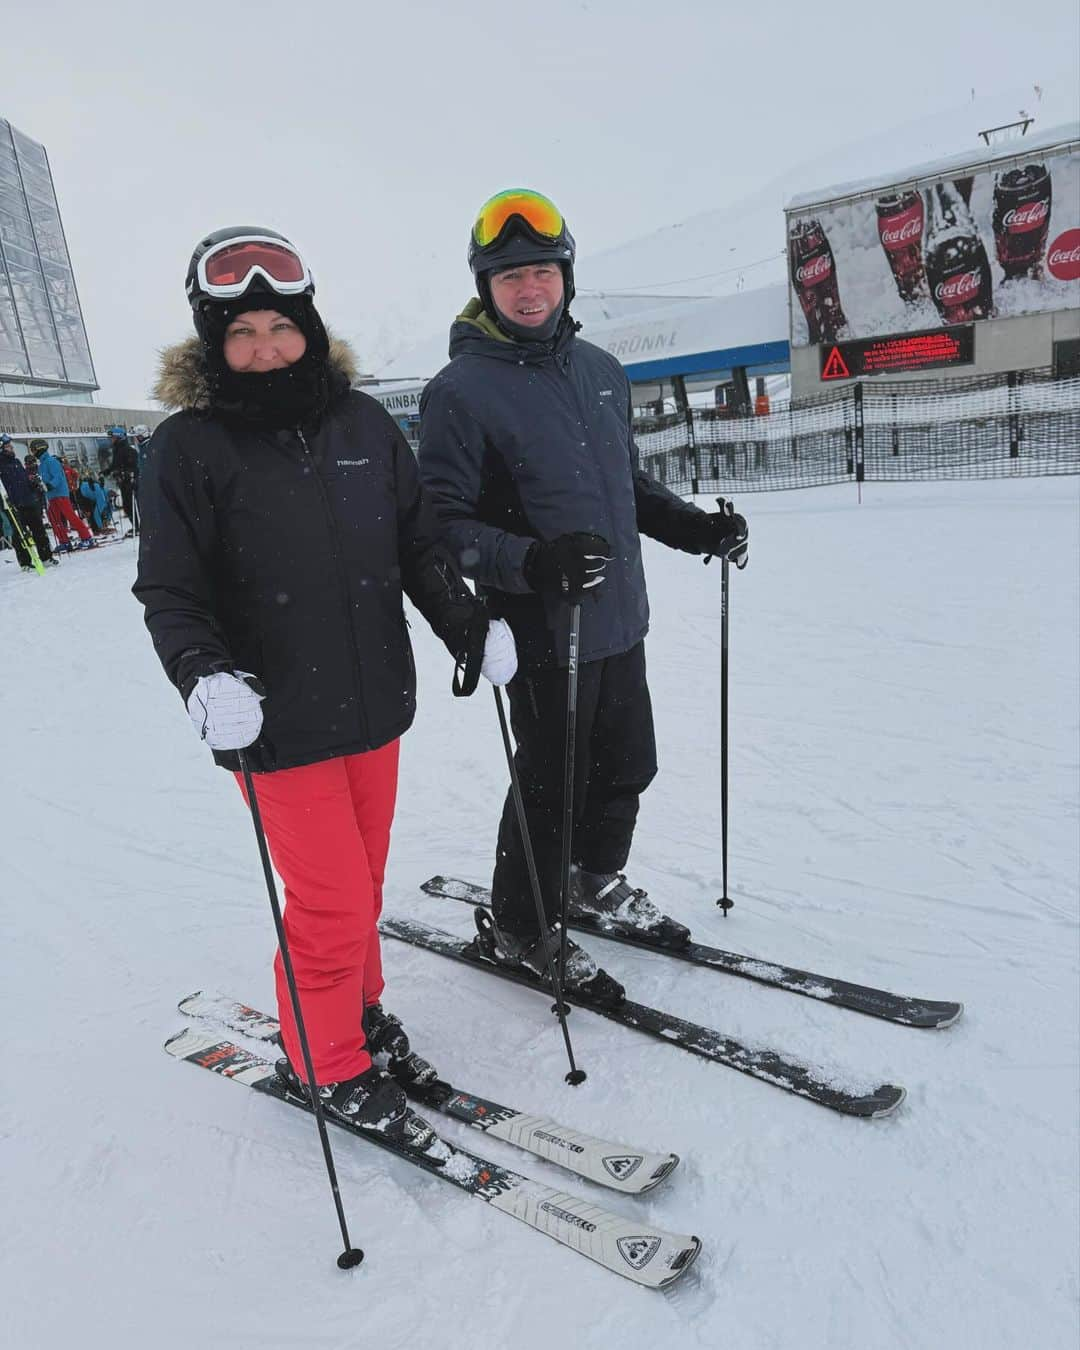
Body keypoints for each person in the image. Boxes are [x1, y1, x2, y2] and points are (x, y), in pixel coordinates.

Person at [134, 225, 517, 1141]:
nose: (264, 346)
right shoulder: (186, 446)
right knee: (330, 900)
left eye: (278, 324)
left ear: (307, 325)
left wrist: (469, 626)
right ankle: (327, 1060)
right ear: (212, 344)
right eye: (241, 332)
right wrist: (202, 675)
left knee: (365, 882)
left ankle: (359, 1013)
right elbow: (170, 591)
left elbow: (416, 547)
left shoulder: (363, 424)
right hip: (273, 720)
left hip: (374, 704)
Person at [419, 189, 748, 1004]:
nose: (529, 290)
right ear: (484, 287)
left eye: (541, 272)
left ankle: (594, 882)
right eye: (509, 278)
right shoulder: (459, 390)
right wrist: (533, 564)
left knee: (629, 765)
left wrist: (695, 529)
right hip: (540, 628)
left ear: (564, 276)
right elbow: (442, 526)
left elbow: (622, 487)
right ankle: (523, 923)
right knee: (551, 782)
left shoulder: (600, 370)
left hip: (617, 618)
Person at [28, 439, 94, 552]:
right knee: (54, 519)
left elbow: (58, 477)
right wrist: (38, 483)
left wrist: (49, 486)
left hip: (60, 494)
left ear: (39, 449)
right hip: (51, 496)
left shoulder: (51, 461)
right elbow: (44, 479)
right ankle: (64, 542)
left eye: (33, 450)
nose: (33, 453)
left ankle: (86, 537)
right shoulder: (42, 464)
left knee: (70, 516)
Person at [0, 435, 56, 569]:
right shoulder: (2, 464)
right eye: (8, 446)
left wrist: (33, 483)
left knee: (39, 530)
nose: (12, 448)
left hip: (28, 500)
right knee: (19, 534)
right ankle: (25, 562)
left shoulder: (17, 462)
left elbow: (24, 481)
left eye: (11, 446)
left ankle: (46, 557)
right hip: (13, 504)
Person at [105, 427, 139, 534]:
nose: (111, 440)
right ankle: (135, 526)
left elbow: (134, 465)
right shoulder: (117, 450)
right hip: (122, 482)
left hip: (130, 481)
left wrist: (128, 474)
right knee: (126, 505)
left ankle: (139, 526)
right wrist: (108, 470)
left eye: (113, 437)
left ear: (120, 437)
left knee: (132, 505)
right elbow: (116, 464)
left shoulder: (128, 450)